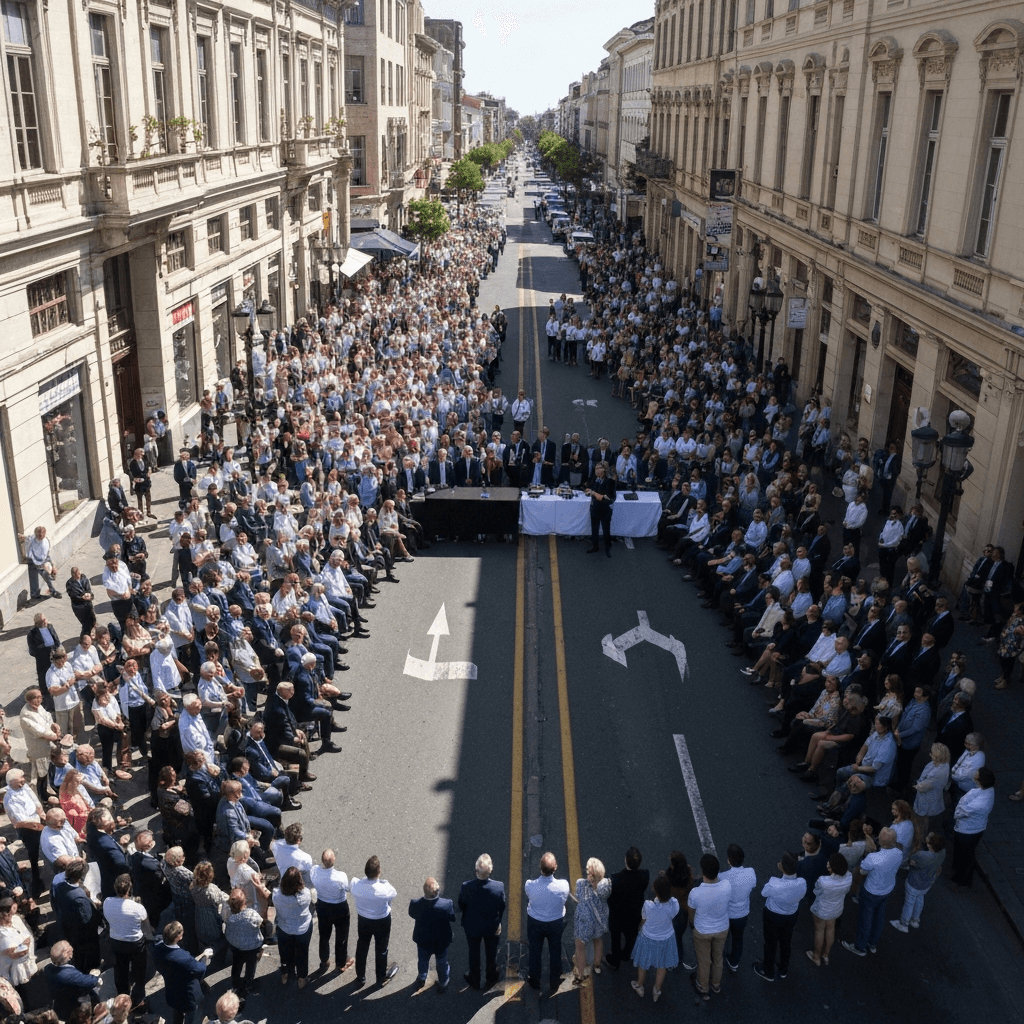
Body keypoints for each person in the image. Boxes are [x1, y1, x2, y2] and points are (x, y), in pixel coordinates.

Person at [841, 826, 903, 955]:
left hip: (871, 891)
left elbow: (863, 870)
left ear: (879, 840)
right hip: (886, 890)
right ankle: (872, 943)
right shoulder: (898, 853)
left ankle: (860, 947)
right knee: (879, 917)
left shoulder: (873, 858)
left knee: (865, 919)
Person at [753, 851, 806, 982]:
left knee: (770, 943)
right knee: (786, 942)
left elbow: (764, 893)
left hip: (773, 915)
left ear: (782, 867)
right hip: (791, 915)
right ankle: (783, 969)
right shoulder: (802, 882)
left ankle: (768, 971)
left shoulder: (774, 883)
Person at [458, 852, 506, 991]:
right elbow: (502, 906)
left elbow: (461, 905)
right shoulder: (498, 887)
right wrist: (498, 920)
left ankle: (475, 979)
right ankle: (491, 978)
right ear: (491, 870)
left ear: (476, 870)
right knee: (491, 953)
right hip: (491, 926)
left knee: (474, 952)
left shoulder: (466, 886)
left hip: (472, 926)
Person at [103, 873, 150, 1013]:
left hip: (116, 941)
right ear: (129, 889)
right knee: (139, 971)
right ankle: (138, 1001)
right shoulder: (137, 907)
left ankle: (122, 999)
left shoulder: (107, 902)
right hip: (135, 943)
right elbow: (146, 926)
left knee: (120, 968)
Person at [686, 853, 732, 998]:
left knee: (704, 960)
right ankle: (716, 985)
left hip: (702, 930)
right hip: (722, 928)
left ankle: (703, 986)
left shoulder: (696, 893)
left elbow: (691, 912)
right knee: (718, 958)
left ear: (702, 871)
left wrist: (692, 924)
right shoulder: (726, 885)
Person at [350, 855, 400, 988]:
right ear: (379, 871)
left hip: (363, 920)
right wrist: (384, 882)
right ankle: (380, 977)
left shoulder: (356, 885)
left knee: (362, 946)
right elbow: (393, 893)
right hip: (381, 920)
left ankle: (361, 977)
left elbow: (355, 882)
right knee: (381, 949)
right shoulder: (384, 888)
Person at [630, 870, 678, 1003]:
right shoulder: (674, 904)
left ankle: (639, 985)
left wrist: (639, 927)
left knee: (643, 963)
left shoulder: (648, 905)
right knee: (662, 965)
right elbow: (673, 914)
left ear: (655, 890)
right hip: (666, 938)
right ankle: (656, 990)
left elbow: (643, 919)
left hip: (648, 937)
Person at [525, 851, 569, 992]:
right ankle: (555, 980)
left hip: (535, 922)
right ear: (555, 868)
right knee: (555, 951)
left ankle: (534, 980)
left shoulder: (530, 885)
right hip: (555, 923)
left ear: (540, 868)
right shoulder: (564, 886)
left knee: (535, 951)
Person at [153, 920, 213, 1024]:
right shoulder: (183, 958)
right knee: (191, 1016)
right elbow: (200, 969)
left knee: (177, 1012)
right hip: (188, 996)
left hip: (172, 990)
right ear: (178, 937)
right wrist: (205, 956)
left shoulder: (157, 949)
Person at [950, 766, 997, 890]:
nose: (974, 775)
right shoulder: (986, 791)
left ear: (979, 780)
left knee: (966, 856)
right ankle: (959, 874)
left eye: (976, 774)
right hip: (972, 828)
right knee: (964, 853)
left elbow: (962, 810)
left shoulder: (980, 803)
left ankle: (964, 881)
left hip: (968, 831)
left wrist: (960, 807)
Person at [603, 845, 648, 972]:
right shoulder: (645, 875)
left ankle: (615, 960)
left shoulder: (615, 878)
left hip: (617, 915)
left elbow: (609, 897)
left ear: (625, 860)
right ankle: (627, 953)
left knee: (616, 937)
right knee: (631, 935)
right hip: (634, 913)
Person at [408, 876, 456, 992]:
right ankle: (443, 982)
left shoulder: (415, 904)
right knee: (442, 961)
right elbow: (452, 917)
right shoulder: (447, 904)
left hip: (423, 940)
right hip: (441, 941)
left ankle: (422, 977)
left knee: (422, 960)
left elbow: (412, 914)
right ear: (437, 891)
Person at [3, 769, 46, 896]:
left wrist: (43, 815)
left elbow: (36, 803)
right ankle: (36, 886)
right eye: (20, 779)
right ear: (12, 782)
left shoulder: (24, 787)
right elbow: (22, 822)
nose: (23, 780)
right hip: (28, 829)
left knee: (43, 850)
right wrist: (43, 827)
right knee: (34, 856)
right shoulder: (10, 799)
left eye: (23, 777)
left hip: (38, 823)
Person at [892, 832, 946, 932]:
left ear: (929, 846)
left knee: (909, 902)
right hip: (928, 883)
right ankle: (915, 920)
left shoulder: (922, 855)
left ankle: (904, 924)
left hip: (914, 883)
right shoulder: (943, 852)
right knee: (920, 898)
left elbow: (911, 862)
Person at [310, 848, 353, 974]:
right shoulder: (341, 876)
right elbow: (347, 888)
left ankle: (324, 960)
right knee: (341, 937)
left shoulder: (315, 871)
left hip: (323, 907)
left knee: (324, 936)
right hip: (340, 908)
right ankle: (341, 963)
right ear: (334, 860)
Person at [806, 852, 852, 966]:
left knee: (819, 930)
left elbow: (816, 891)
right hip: (836, 908)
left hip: (821, 910)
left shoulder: (823, 881)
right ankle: (825, 955)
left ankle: (816, 956)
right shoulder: (849, 876)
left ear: (831, 868)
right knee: (831, 929)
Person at [571, 857, 611, 983]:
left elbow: (578, 896)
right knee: (598, 940)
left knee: (580, 946)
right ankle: (597, 965)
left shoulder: (581, 884)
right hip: (599, 921)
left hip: (585, 922)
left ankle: (580, 974)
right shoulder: (606, 887)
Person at [272, 866, 313, 988]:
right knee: (302, 953)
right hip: (302, 929)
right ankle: (302, 977)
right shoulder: (306, 894)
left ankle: (285, 973)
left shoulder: (277, 895)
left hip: (284, 928)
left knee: (284, 952)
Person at [719, 844, 756, 972]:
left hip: (727, 914)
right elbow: (753, 886)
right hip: (742, 913)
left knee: (722, 937)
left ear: (729, 860)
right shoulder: (751, 872)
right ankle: (734, 962)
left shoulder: (723, 876)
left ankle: (718, 958)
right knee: (738, 938)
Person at [44, 940, 102, 1021]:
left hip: (60, 1004)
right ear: (68, 956)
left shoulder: (48, 968)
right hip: (75, 1006)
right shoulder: (68, 975)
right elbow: (91, 982)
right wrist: (94, 975)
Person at [224, 888, 263, 1003]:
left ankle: (235, 982)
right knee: (251, 965)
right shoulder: (251, 914)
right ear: (244, 901)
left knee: (237, 962)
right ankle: (248, 984)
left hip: (235, 944)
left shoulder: (228, 913)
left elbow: (224, 921)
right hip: (251, 946)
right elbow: (260, 922)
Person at [0, 896, 35, 999]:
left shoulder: (15, 919)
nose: (12, 916)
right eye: (9, 914)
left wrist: (24, 944)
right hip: (13, 974)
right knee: (23, 995)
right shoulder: (2, 933)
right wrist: (24, 945)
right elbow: (14, 953)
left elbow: (28, 937)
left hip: (27, 966)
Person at [21, 525, 61, 601]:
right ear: (36, 534)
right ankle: (35, 595)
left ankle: (52, 591)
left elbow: (46, 553)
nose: (41, 536)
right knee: (34, 577)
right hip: (34, 560)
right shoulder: (32, 541)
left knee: (47, 575)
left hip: (43, 559)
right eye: (39, 534)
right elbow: (30, 550)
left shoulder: (46, 540)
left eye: (43, 534)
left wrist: (51, 564)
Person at [585, 461, 616, 557]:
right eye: (595, 469)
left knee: (606, 529)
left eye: (598, 469)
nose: (596, 471)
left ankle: (607, 548)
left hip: (605, 509)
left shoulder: (610, 481)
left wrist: (593, 493)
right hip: (595, 507)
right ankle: (595, 546)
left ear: (604, 470)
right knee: (594, 528)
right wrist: (588, 490)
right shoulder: (595, 479)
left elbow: (607, 497)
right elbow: (589, 488)